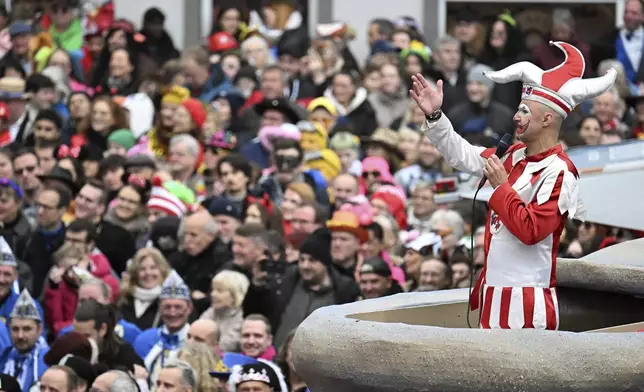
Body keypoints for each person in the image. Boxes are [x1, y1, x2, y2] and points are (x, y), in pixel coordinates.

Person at [409, 41, 616, 330]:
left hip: (527, 303)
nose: (516, 117)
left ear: (546, 118)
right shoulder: (511, 155)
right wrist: (435, 116)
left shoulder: (560, 171)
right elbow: (463, 154)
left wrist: (501, 187)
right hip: (492, 294)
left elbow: (531, 230)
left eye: (524, 111)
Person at [134, 271, 192, 385]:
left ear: (189, 308)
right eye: (167, 307)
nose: (172, 312)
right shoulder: (144, 339)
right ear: (160, 308)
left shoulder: (196, 339)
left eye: (178, 307)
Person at [0, 290, 48, 392]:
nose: (20, 336)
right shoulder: (5, 355)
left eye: (27, 329)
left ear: (39, 329)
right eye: (15, 329)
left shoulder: (47, 360)